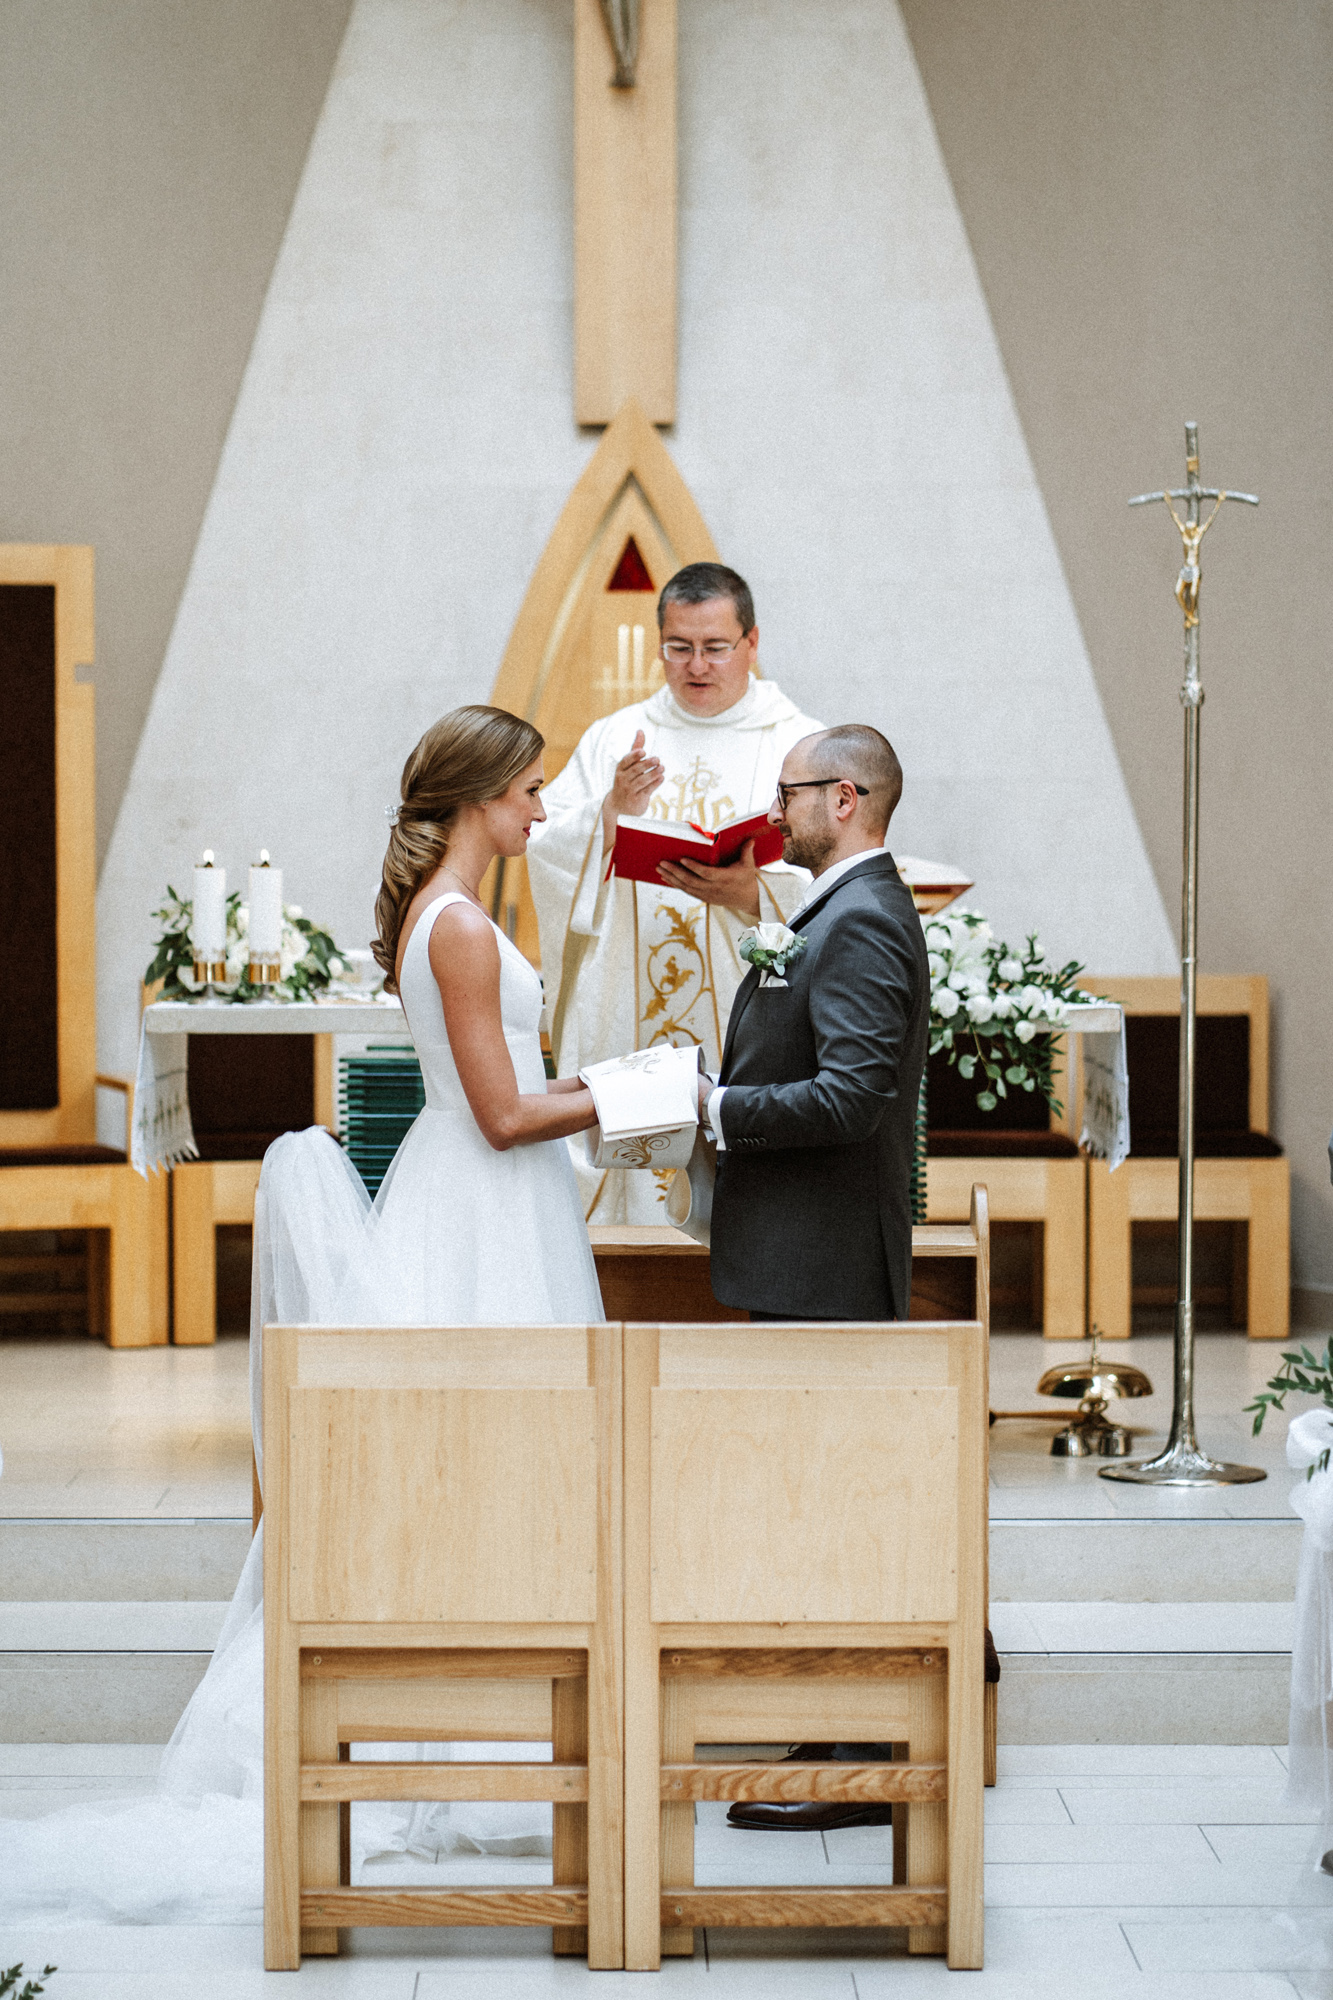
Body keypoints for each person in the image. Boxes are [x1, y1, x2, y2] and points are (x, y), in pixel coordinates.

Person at [0, 707, 606, 1923]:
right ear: (479, 795)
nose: (541, 809)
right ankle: (452, 1755)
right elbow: (501, 1114)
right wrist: (631, 1089)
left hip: (485, 1202)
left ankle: (479, 1744)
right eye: (530, 790)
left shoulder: (442, 913)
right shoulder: (460, 927)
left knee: (480, 1472)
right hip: (485, 1205)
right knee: (475, 1471)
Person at [697, 722, 930, 1830]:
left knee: (832, 1506)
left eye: (787, 792)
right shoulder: (835, 908)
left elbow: (850, 1097)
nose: (773, 811)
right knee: (813, 1502)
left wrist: (716, 1110)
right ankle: (834, 1734)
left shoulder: (864, 918)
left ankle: (858, 1762)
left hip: (825, 1262)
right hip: (807, 1257)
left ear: (843, 798)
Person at [526, 562, 823, 1224]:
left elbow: (841, 874)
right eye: (678, 647)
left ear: (751, 643)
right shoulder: (614, 739)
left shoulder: (800, 745)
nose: (696, 666)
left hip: (749, 1010)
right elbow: (543, 846)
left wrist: (754, 894)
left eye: (715, 647)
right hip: (628, 1009)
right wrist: (608, 815)